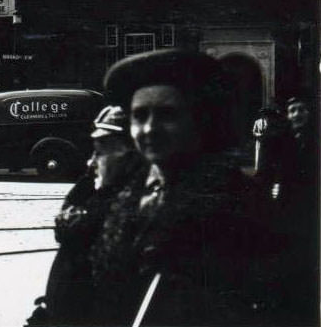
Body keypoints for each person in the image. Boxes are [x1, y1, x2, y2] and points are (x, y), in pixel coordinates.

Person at [90, 49, 275, 326]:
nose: (150, 129)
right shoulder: (117, 194)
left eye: (167, 115)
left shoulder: (239, 201)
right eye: (139, 116)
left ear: (198, 120)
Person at [26, 105, 148, 326]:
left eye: (100, 152)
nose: (91, 162)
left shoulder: (127, 211)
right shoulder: (99, 199)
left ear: (129, 155)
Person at [273, 96, 320, 326]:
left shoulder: (316, 139)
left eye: (301, 109)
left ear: (309, 113)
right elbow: (275, 172)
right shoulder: (283, 141)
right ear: (287, 115)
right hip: (289, 206)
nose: (297, 114)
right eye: (292, 110)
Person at [251, 102, 288, 200]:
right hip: (261, 144)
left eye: (268, 115)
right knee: (260, 158)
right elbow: (254, 131)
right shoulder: (258, 122)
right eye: (265, 114)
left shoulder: (275, 125)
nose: (267, 117)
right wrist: (259, 136)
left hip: (272, 153)